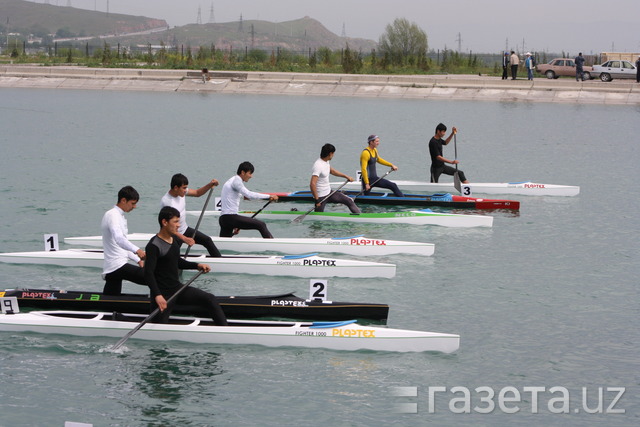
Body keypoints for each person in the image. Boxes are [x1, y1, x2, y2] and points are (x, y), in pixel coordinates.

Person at [145, 206, 227, 326]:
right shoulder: (154, 245)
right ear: (164, 222)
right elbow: (148, 273)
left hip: (178, 289)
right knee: (159, 328)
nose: (178, 225)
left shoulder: (173, 240)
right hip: (163, 295)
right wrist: (158, 295)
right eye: (175, 222)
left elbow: (177, 261)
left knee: (210, 299)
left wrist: (197, 265)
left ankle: (224, 329)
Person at [161, 173, 221, 257]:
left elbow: (197, 193)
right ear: (175, 188)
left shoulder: (181, 192)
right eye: (184, 188)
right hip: (173, 235)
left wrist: (210, 184)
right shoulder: (167, 202)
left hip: (185, 229)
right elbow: (169, 228)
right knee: (173, 260)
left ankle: (218, 260)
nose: (186, 190)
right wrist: (184, 238)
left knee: (207, 240)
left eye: (186, 187)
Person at [101, 186, 146, 295]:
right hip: (117, 266)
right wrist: (138, 250)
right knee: (151, 278)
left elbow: (122, 245)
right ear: (123, 200)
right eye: (133, 203)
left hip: (113, 269)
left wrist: (138, 260)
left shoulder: (119, 216)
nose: (134, 207)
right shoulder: (113, 215)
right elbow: (119, 239)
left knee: (110, 301)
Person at [219, 161, 278, 238]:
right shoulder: (236, 181)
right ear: (243, 172)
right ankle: (272, 245)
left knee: (224, 245)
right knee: (261, 225)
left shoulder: (232, 180)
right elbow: (249, 194)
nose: (251, 176)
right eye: (250, 173)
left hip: (224, 219)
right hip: (230, 218)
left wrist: (237, 224)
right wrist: (269, 196)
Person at [310, 143, 361, 213]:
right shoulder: (318, 165)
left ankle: (360, 216)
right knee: (318, 216)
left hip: (329, 192)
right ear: (330, 154)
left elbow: (332, 171)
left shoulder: (326, 162)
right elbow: (312, 184)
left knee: (349, 201)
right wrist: (317, 200)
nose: (333, 155)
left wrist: (346, 176)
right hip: (321, 197)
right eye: (333, 154)